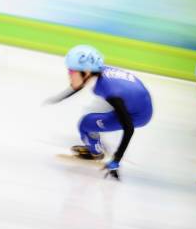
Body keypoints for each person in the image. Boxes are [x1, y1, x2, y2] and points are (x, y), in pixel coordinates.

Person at [45, 45, 153, 180]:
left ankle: (96, 152)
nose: (69, 75)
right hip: (132, 101)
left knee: (86, 124)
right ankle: (100, 143)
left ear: (86, 71)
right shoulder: (97, 75)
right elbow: (78, 86)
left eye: (71, 72)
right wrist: (59, 98)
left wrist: (116, 161)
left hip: (138, 115)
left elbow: (129, 128)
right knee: (90, 112)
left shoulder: (111, 92)